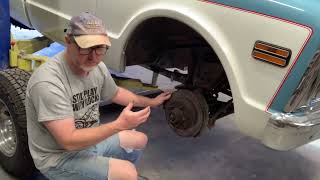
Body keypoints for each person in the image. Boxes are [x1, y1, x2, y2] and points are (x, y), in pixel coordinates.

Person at [26, 12, 171, 180]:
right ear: (68, 41)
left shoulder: (97, 67)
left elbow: (116, 93)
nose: (94, 57)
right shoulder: (48, 82)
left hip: (88, 143)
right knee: (128, 173)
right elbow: (69, 140)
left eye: (100, 48)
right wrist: (118, 125)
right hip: (58, 157)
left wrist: (151, 102)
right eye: (86, 48)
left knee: (138, 140)